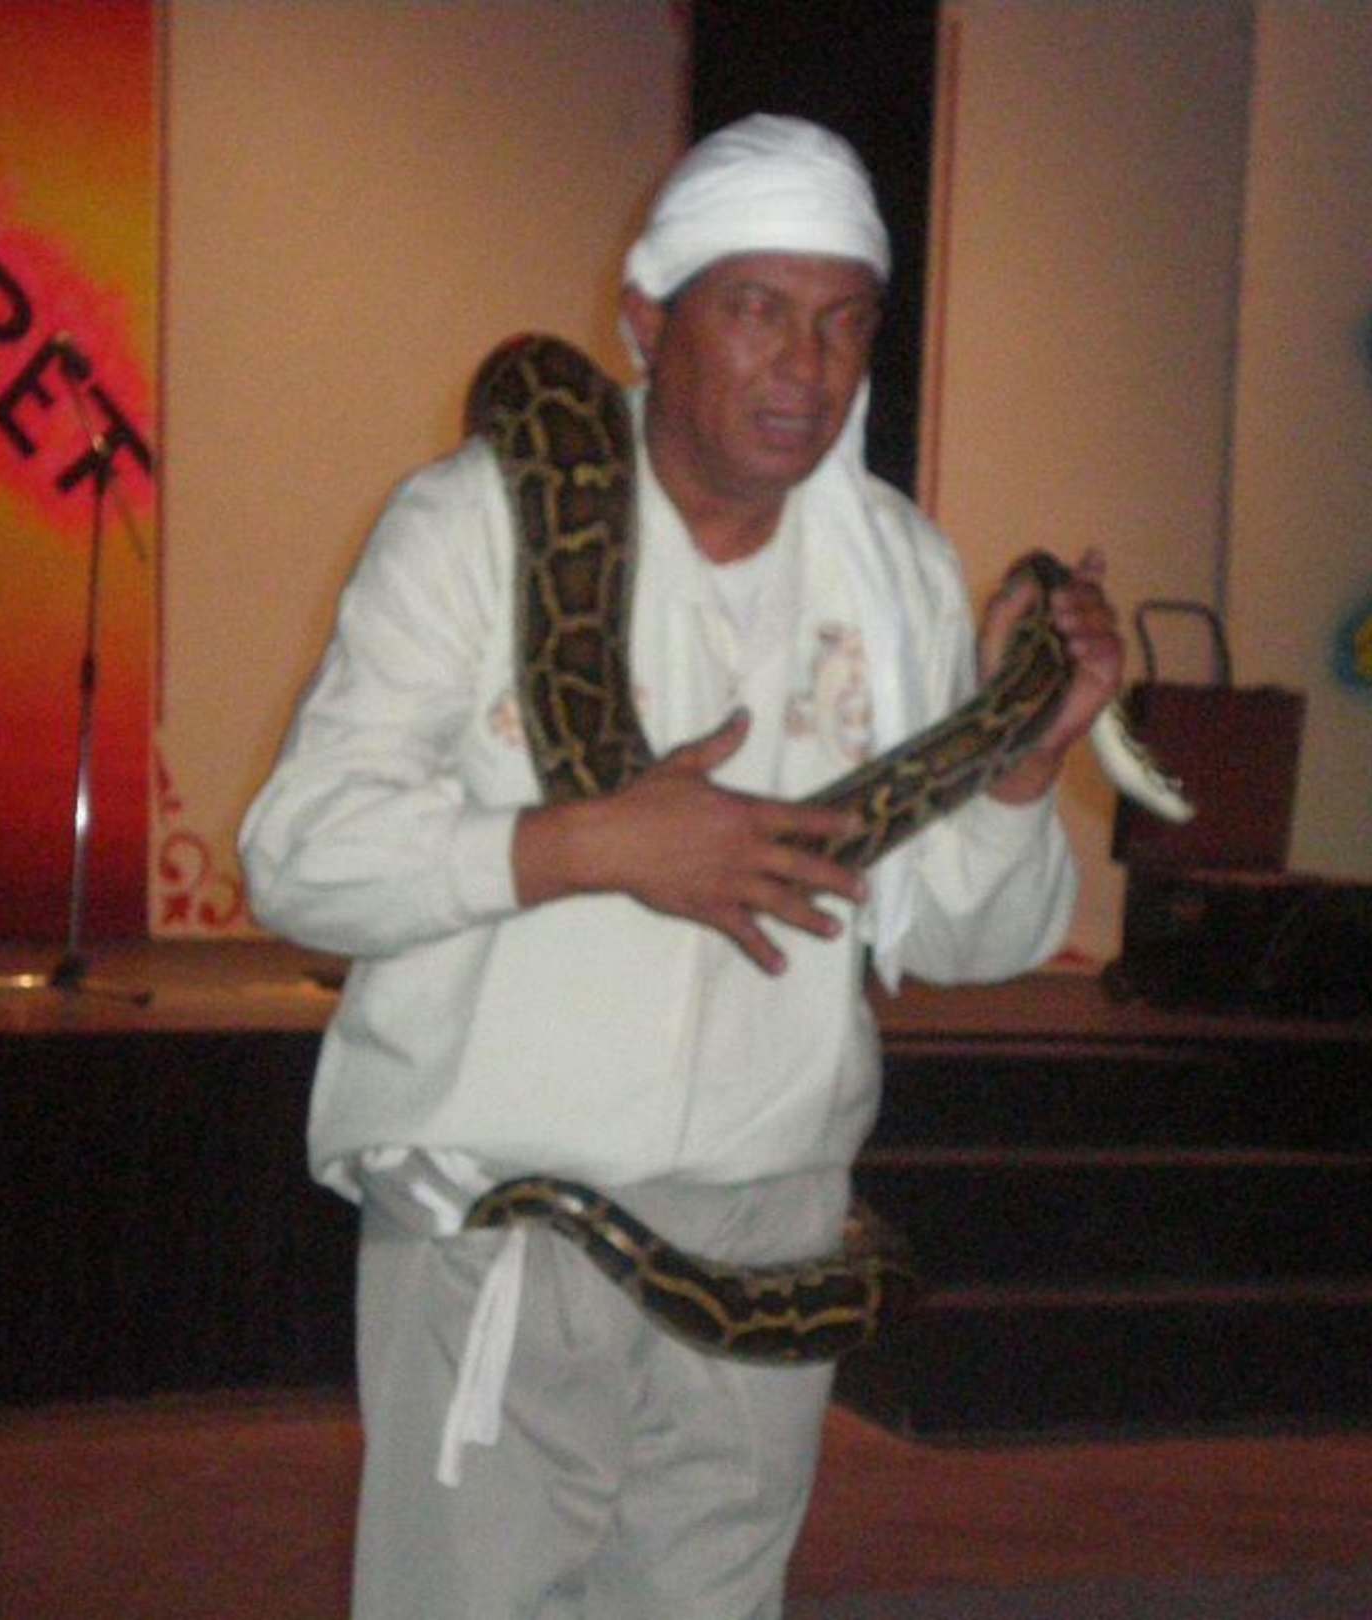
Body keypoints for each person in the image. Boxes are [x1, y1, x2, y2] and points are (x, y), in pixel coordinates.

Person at [239, 113, 1125, 1620]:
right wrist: (588, 845)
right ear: (649, 321)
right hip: (510, 1208)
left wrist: (1025, 761)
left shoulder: (897, 570)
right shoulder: (471, 525)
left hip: (772, 1219)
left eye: (845, 321)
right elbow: (300, 858)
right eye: (758, 310)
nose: (808, 367)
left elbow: (965, 937)